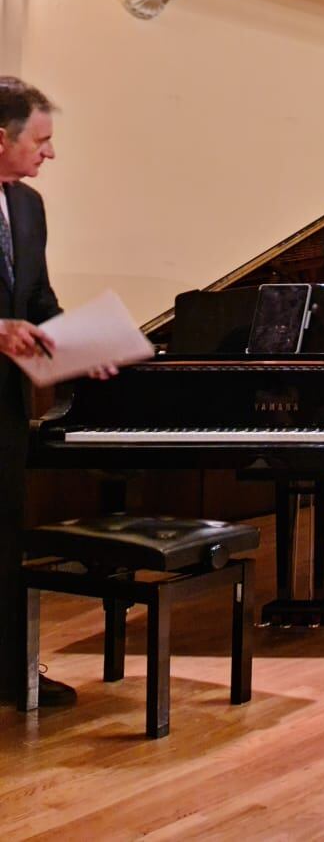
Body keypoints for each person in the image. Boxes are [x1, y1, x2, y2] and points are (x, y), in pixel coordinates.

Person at [0, 78, 112, 708]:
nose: (50, 155)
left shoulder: (29, 208)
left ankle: (12, 670)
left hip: (7, 407)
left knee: (6, 538)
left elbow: (38, 302)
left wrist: (79, 347)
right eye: (41, 141)